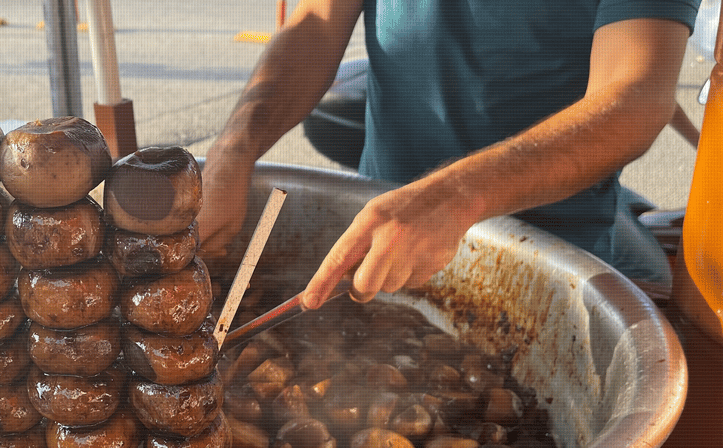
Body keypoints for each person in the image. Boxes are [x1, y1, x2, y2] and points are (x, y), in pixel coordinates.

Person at [199, 0, 699, 310]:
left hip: (551, 262)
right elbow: (314, 26)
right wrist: (231, 153)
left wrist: (455, 197)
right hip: (376, 248)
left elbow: (635, 97)